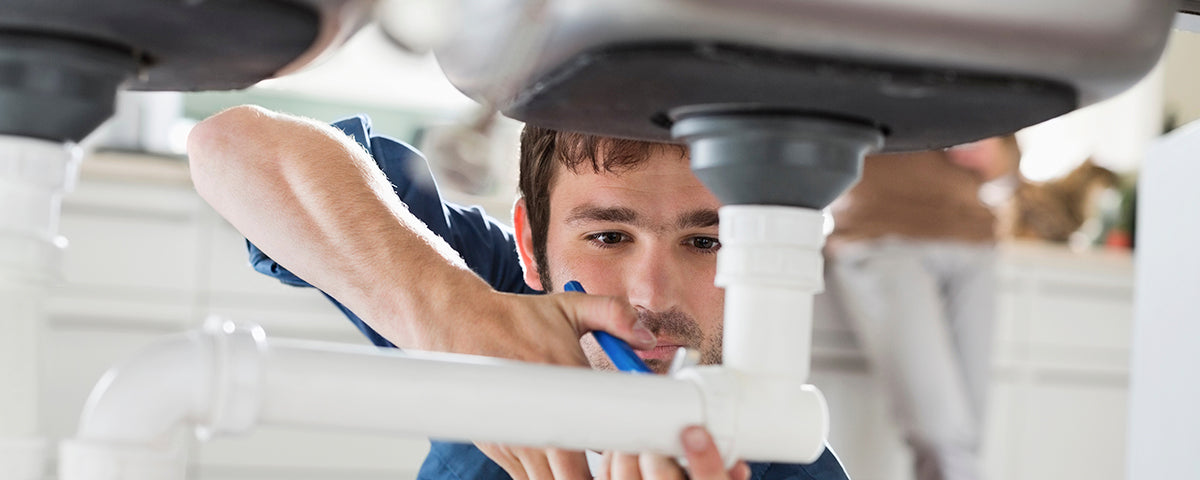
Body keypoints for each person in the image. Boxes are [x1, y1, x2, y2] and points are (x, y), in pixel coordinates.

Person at [186, 105, 851, 480]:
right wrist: (450, 309)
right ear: (531, 246)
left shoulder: (788, 456)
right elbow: (231, 146)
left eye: (706, 244)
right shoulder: (492, 293)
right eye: (610, 238)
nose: (651, 295)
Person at [823, 136, 1018, 480]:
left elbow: (1009, 161)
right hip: (881, 236)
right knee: (941, 435)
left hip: (974, 243)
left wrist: (997, 152)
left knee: (965, 437)